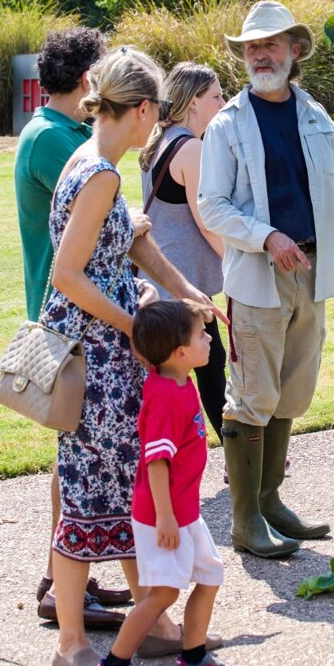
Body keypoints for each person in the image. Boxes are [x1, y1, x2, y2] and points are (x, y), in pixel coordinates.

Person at [45, 46, 227, 666]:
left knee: (124, 491)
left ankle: (156, 626)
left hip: (105, 356)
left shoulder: (93, 162)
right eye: (159, 111)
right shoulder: (99, 175)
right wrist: (137, 327)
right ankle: (72, 643)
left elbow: (132, 243)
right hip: (97, 360)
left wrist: (186, 292)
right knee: (88, 496)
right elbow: (67, 275)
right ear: (145, 108)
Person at [198, 1, 334, 558]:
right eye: (251, 47)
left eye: (271, 44)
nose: (260, 55)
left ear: (295, 50)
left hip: (311, 273)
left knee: (290, 391)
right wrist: (267, 237)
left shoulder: (314, 116)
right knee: (251, 396)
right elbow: (212, 205)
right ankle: (245, 521)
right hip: (257, 277)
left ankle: (269, 502)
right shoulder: (227, 125)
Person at [14, 27, 130, 626]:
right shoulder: (53, 139)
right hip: (71, 318)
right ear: (89, 79)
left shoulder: (60, 132)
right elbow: (107, 222)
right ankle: (61, 587)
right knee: (76, 453)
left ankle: (67, 581)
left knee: (76, 453)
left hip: (76, 311)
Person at [91, 298, 244, 666]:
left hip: (184, 512)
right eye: (201, 336)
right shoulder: (165, 397)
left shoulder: (179, 380)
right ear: (179, 352)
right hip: (164, 516)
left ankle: (193, 661)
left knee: (209, 576)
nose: (208, 340)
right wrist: (164, 518)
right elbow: (155, 462)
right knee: (162, 594)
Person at [137, 63, 227, 439]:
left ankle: (166, 447)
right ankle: (237, 455)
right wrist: (235, 263)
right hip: (182, 280)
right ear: (193, 103)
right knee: (210, 363)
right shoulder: (191, 147)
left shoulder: (158, 140)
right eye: (216, 96)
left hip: (159, 273)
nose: (223, 103)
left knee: (187, 367)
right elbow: (206, 220)